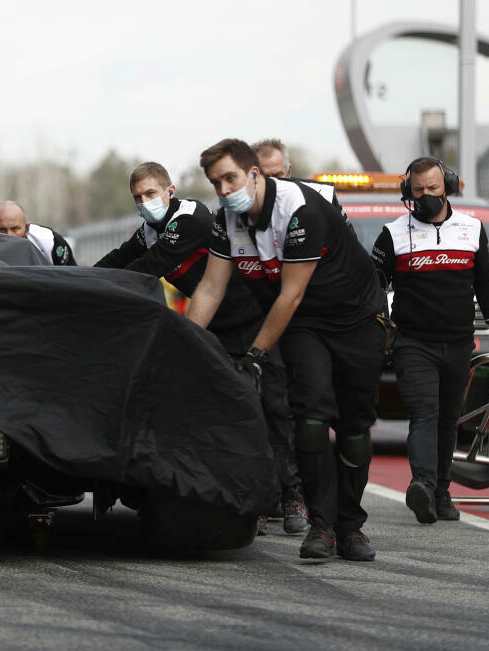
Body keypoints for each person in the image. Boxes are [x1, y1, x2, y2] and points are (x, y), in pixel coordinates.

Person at [188, 139, 386, 561]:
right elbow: (210, 287)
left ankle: (352, 527)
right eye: (216, 183)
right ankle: (323, 527)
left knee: (353, 429)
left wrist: (255, 356)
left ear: (254, 174)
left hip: (355, 319)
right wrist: (180, 342)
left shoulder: (300, 209)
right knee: (311, 421)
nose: (224, 190)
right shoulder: (227, 220)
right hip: (304, 324)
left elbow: (290, 294)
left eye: (231, 179)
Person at [94, 161, 308, 535]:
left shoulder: (190, 217)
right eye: (137, 198)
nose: (145, 203)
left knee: (275, 408)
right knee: (229, 412)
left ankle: (292, 496)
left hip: (256, 320)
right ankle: (253, 500)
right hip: (216, 331)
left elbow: (150, 265)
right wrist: (81, 279)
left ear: (169, 191)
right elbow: (118, 260)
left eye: (150, 194)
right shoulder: (148, 232)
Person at [371, 156, 489, 524]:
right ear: (408, 191)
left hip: (457, 343)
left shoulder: (471, 228)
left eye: (433, 189)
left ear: (447, 186)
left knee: (448, 419)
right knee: (425, 413)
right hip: (412, 343)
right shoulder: (393, 233)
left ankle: (441, 492)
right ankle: (421, 484)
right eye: (417, 190)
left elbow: (485, 282)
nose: (425, 196)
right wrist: (377, 326)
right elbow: (373, 285)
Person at [0, 201, 75, 266]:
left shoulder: (50, 241)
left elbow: (72, 278)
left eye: (15, 229)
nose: (9, 235)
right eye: (2, 230)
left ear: (27, 228)